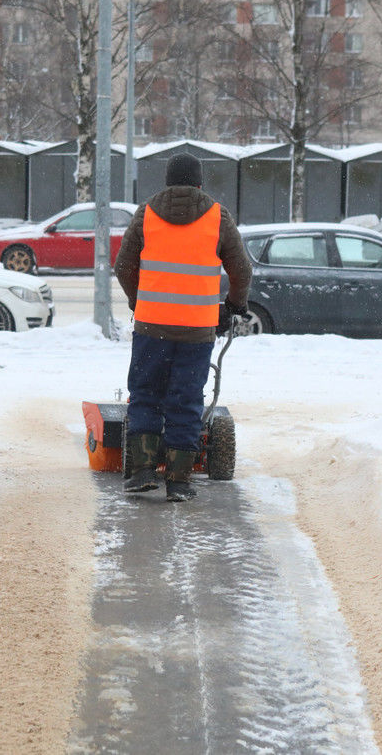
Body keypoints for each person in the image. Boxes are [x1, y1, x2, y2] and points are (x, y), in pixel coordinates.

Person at [114, 153, 252, 502]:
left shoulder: (146, 213)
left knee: (145, 393)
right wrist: (234, 305)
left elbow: (123, 266)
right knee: (186, 399)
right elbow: (242, 270)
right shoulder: (217, 216)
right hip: (197, 330)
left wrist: (138, 300)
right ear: (199, 183)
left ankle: (143, 472)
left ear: (168, 182)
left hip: (151, 328)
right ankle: (178, 480)